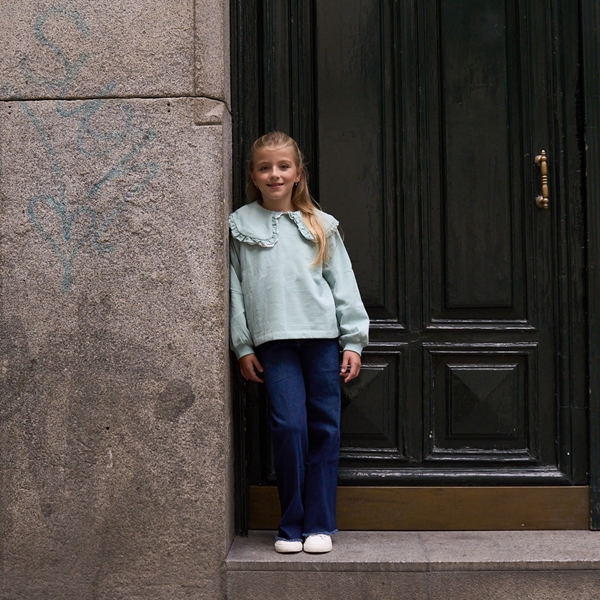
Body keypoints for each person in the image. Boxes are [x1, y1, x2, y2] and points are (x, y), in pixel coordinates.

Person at [229, 131, 369, 554]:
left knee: (324, 427)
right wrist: (243, 346)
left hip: (322, 341)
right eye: (265, 167)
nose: (275, 174)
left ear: (298, 174)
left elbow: (343, 284)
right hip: (274, 343)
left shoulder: (320, 225)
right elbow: (233, 290)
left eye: (283, 166)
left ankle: (319, 523)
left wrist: (354, 341)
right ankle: (290, 523)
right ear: (253, 176)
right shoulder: (240, 225)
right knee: (289, 427)